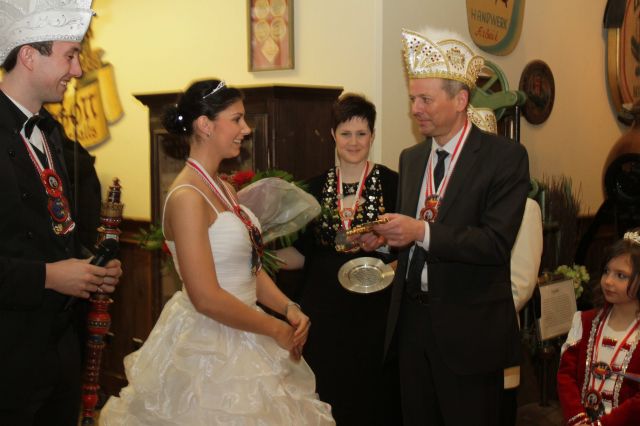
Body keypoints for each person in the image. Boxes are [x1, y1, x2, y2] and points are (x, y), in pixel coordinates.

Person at [100, 79, 335, 425]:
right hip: (209, 340)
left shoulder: (223, 187)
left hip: (248, 324)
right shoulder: (186, 198)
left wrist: (288, 307)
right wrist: (274, 328)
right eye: (236, 119)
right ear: (205, 125)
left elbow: (248, 268)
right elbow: (206, 297)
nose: (246, 129)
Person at [359, 28, 530, 425]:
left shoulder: (504, 158)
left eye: (425, 99)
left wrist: (420, 231)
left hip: (469, 332)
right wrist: (384, 239)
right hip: (412, 326)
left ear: (460, 100)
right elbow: (412, 235)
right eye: (412, 99)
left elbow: (494, 243)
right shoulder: (412, 157)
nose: (415, 109)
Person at [0, 1, 123, 424]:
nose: (77, 69)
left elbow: (53, 229)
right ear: (29, 56)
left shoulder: (52, 133)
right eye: (69, 56)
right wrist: (49, 276)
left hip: (57, 353)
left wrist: (90, 265)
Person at [276, 93, 400, 425]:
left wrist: (386, 251)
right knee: (328, 395)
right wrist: (258, 256)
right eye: (346, 133)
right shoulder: (311, 189)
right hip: (324, 313)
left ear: (373, 135)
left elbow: (408, 249)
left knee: (375, 399)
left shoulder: (394, 184)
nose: (353, 142)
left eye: (361, 133)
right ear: (333, 135)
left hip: (376, 312)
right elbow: (302, 254)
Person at [467, 106, 544, 425]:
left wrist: (472, 312)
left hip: (492, 333)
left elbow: (521, 284)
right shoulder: (455, 203)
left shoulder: (525, 208)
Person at [557, 229, 640, 426]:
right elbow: (566, 375)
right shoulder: (585, 322)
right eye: (606, 271)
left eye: (621, 275)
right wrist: (579, 419)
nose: (608, 281)